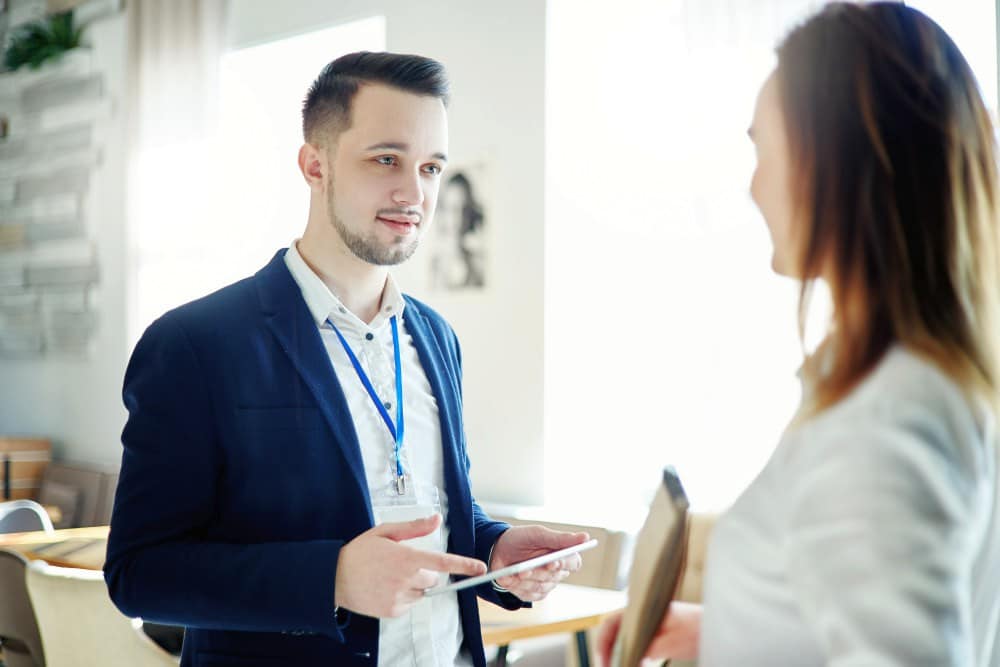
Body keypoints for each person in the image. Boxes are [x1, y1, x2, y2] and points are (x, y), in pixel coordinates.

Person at [104, 51, 588, 667]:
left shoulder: (438, 338)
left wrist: (494, 549)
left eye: (431, 166)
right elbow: (139, 575)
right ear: (315, 164)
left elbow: (431, 507)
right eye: (386, 159)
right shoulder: (196, 344)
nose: (414, 192)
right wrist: (330, 577)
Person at [598, 3, 1000, 665]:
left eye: (761, 146)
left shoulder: (883, 420)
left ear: (832, 158)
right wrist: (724, 630)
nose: (753, 186)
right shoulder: (920, 375)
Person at [430, 171, 486, 289]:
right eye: (452, 209)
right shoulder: (433, 267)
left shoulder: (479, 265)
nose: (458, 219)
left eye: (464, 209)